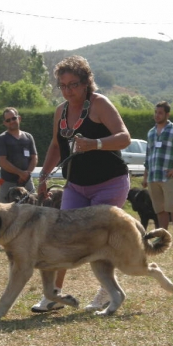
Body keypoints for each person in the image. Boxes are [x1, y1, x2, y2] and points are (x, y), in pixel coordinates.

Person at [32, 55, 131, 313]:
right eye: (63, 86)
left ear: (87, 82)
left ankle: (107, 293)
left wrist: (95, 144)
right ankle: (54, 296)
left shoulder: (100, 104)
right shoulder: (60, 111)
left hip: (110, 183)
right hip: (76, 184)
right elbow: (56, 145)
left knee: (99, 241)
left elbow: (124, 138)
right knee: (61, 238)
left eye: (73, 84)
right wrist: (43, 176)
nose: (68, 91)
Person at [142, 101, 173, 246]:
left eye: (160, 113)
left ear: (167, 114)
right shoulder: (151, 132)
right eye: (156, 112)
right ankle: (162, 237)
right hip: (153, 177)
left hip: (169, 176)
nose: (157, 115)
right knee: (160, 209)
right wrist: (145, 177)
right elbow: (148, 157)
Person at [0, 107, 38, 249]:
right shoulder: (2, 139)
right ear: (5, 123)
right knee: (0, 208)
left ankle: (32, 238)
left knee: (34, 206)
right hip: (8, 181)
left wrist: (27, 173)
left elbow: (34, 157)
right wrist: (20, 173)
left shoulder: (28, 137)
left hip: (26, 180)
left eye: (14, 118)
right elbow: (2, 161)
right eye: (8, 120)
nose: (12, 121)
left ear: (19, 118)